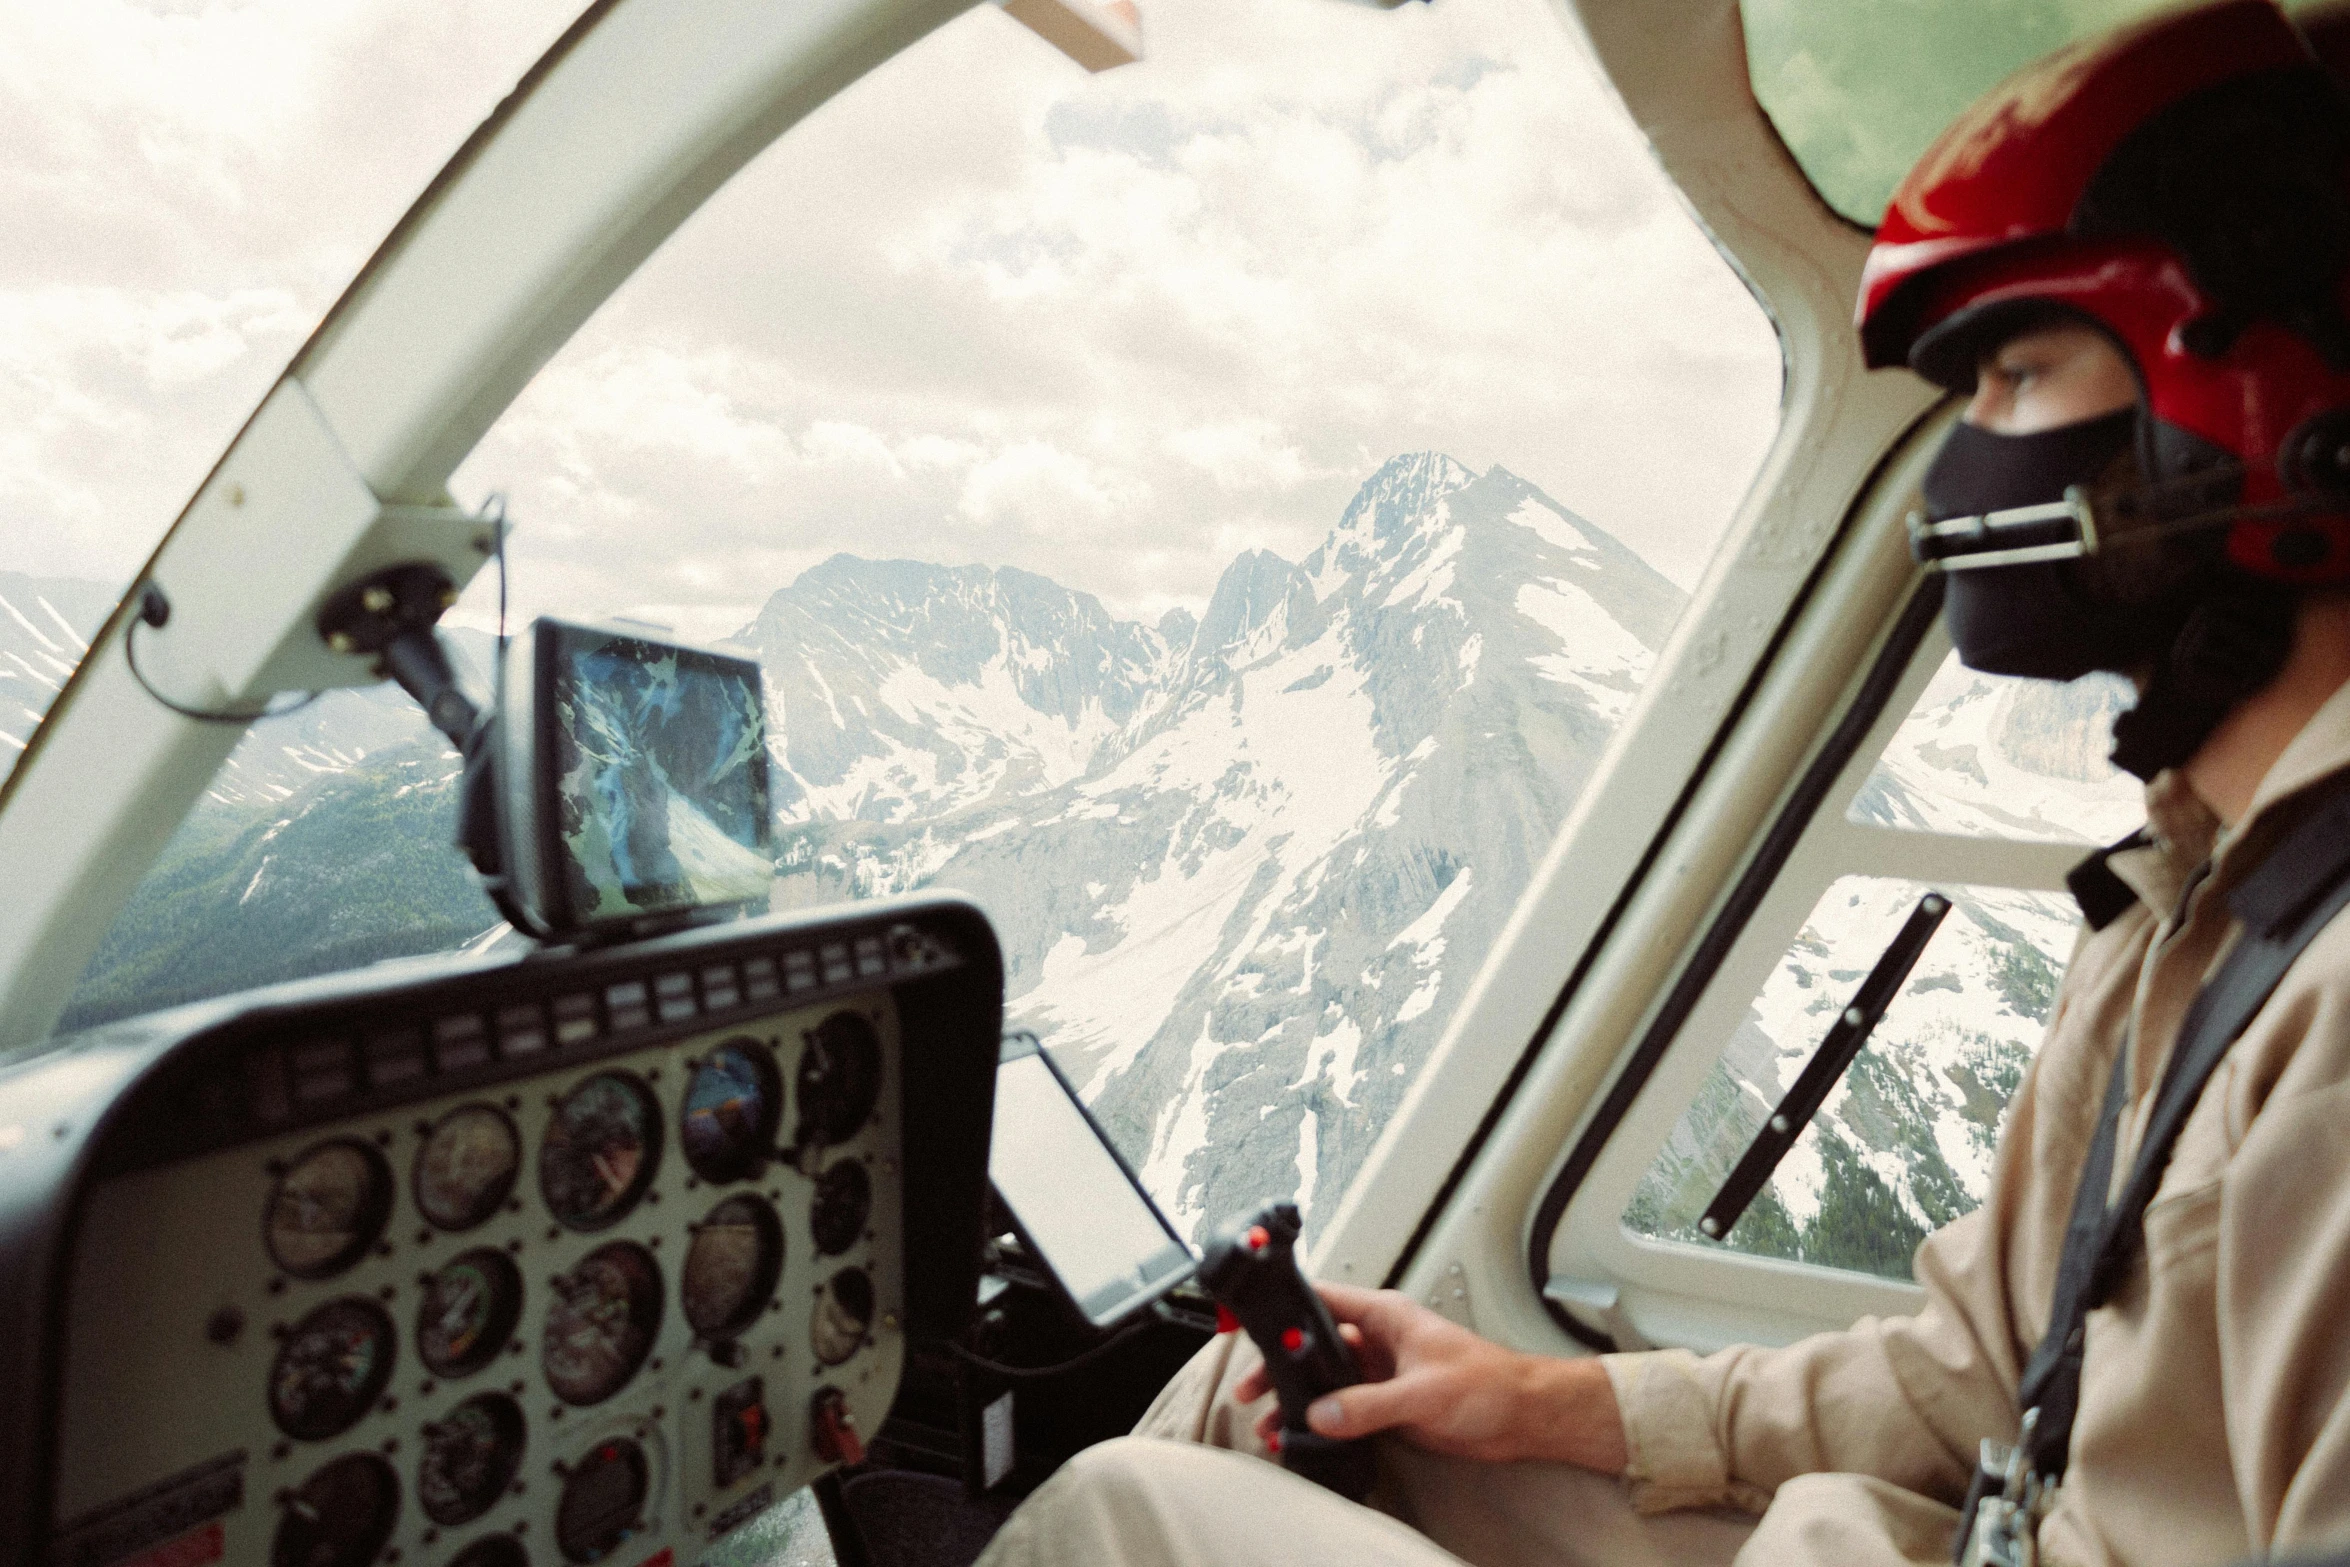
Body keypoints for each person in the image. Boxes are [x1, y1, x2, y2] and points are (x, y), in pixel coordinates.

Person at [971, 2, 2350, 1564]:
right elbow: (1971, 1379)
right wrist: (1526, 1399)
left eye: (2017, 378)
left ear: (2283, 418)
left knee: (1120, 1513)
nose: (1963, 469)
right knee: (1250, 1397)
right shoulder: (2187, 905)